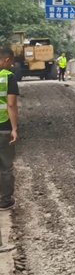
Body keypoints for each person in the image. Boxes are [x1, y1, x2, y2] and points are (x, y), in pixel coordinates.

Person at [0, 46, 19, 210]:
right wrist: (14, 128)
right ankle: (5, 200)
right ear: (6, 60)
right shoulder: (8, 77)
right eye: (11, 62)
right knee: (5, 165)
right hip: (3, 126)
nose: (11, 65)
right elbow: (11, 104)